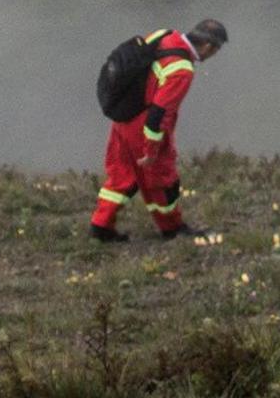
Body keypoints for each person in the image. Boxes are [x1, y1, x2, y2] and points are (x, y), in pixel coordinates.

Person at [90, 20, 228, 243]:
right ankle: (172, 227)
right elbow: (160, 112)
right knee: (161, 179)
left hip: (124, 115)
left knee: (122, 172)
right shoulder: (182, 69)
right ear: (209, 47)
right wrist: (151, 148)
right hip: (143, 124)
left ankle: (101, 225)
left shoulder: (164, 35)